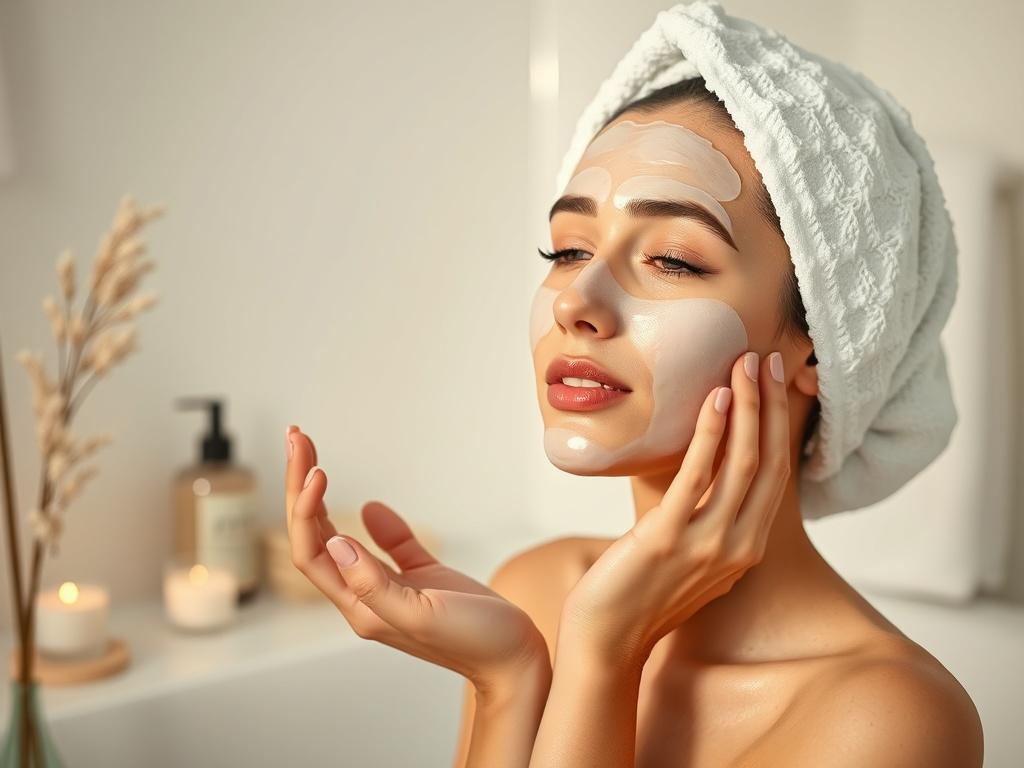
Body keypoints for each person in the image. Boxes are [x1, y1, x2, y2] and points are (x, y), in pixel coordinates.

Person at [284, 25, 983, 768]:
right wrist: (509, 680)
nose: (574, 300)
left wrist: (602, 653)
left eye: (673, 260)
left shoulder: (890, 720)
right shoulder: (536, 595)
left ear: (824, 343)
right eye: (569, 249)